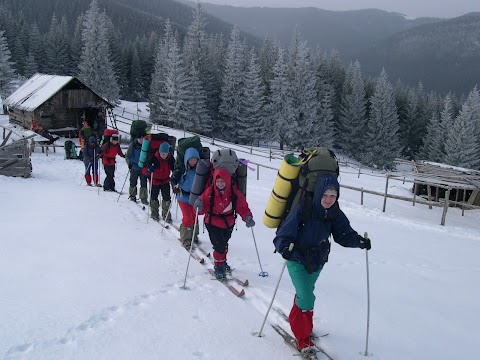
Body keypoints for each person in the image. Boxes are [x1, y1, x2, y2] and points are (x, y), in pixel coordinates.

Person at [273, 174, 371, 354]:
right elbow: (285, 231)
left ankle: (298, 320)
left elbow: (343, 233)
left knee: (305, 295)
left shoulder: (334, 212)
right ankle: (302, 338)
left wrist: (359, 241)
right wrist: (284, 247)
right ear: (318, 193)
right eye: (325, 195)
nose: (328, 199)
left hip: (318, 260)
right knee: (307, 298)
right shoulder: (304, 207)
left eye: (333, 196)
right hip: (296, 258)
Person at [194, 168, 255, 280]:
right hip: (212, 222)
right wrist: (199, 206)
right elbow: (202, 210)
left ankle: (223, 261)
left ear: (227, 181)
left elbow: (242, 207)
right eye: (218, 182)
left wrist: (247, 217)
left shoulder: (234, 193)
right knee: (219, 246)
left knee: (224, 243)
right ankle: (219, 267)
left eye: (222, 181)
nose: (220, 184)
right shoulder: (209, 192)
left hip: (228, 223)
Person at [170, 147, 200, 248]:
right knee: (188, 218)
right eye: (190, 159)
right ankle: (186, 239)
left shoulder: (200, 170)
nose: (192, 162)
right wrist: (174, 186)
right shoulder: (181, 169)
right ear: (187, 159)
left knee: (195, 217)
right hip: (183, 196)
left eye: (194, 159)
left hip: (195, 197)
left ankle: (194, 235)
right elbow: (173, 179)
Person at [145, 142, 175, 222]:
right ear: (159, 152)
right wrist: (150, 168)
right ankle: (154, 213)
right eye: (162, 153)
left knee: (167, 198)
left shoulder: (170, 158)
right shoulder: (154, 157)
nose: (164, 155)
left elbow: (174, 168)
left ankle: (166, 214)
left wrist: (175, 175)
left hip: (165, 181)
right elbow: (147, 165)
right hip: (155, 181)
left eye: (165, 153)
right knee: (154, 197)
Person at [126, 135, 148, 204]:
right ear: (137, 138)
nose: (141, 140)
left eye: (142, 138)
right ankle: (132, 195)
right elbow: (128, 155)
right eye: (140, 138)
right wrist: (129, 163)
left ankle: (143, 198)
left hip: (143, 167)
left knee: (144, 183)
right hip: (134, 166)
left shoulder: (146, 145)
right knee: (133, 181)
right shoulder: (133, 145)